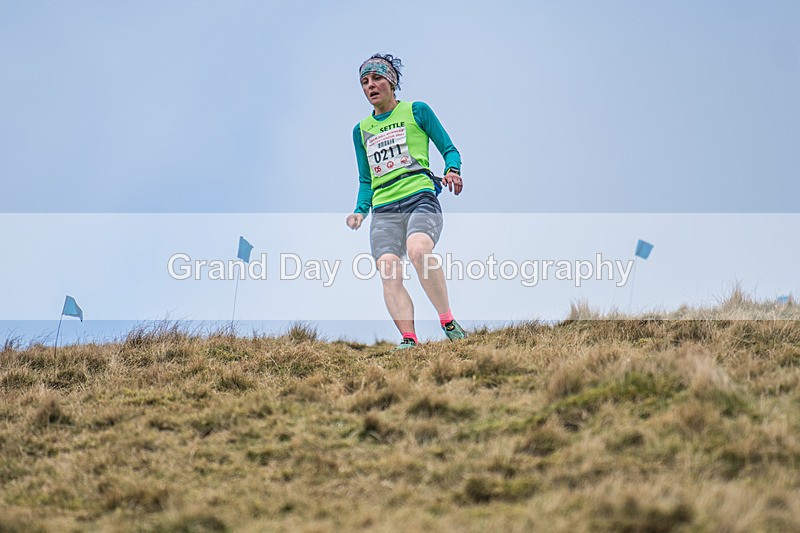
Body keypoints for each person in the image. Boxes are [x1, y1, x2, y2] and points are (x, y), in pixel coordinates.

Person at [346, 53, 467, 350]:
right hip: (384, 208)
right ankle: (409, 340)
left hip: (419, 197)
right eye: (365, 81)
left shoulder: (417, 111)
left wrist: (452, 170)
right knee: (388, 269)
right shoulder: (360, 130)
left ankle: (448, 321)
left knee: (418, 251)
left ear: (392, 81)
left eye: (377, 78)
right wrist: (360, 211)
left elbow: (449, 149)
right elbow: (366, 180)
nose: (370, 86)